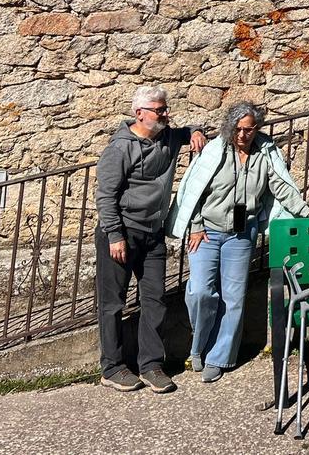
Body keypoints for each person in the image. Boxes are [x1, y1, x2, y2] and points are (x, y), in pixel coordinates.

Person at [167, 102, 309, 382]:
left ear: (256, 128)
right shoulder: (216, 151)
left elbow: (281, 186)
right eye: (238, 129)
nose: (242, 135)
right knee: (200, 292)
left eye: (248, 129)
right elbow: (195, 191)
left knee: (234, 298)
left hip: (242, 234)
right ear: (230, 127)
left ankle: (219, 357)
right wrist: (195, 226)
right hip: (207, 232)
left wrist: (305, 210)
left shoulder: (264, 153)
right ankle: (198, 346)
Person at [95, 86, 206, 393]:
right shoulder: (119, 148)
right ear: (140, 113)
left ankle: (151, 365)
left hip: (152, 234)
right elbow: (105, 196)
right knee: (112, 303)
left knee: (155, 299)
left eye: (166, 109)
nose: (165, 114)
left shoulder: (168, 136)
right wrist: (115, 236)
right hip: (121, 234)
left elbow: (189, 131)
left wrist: (195, 131)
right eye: (159, 110)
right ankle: (113, 367)